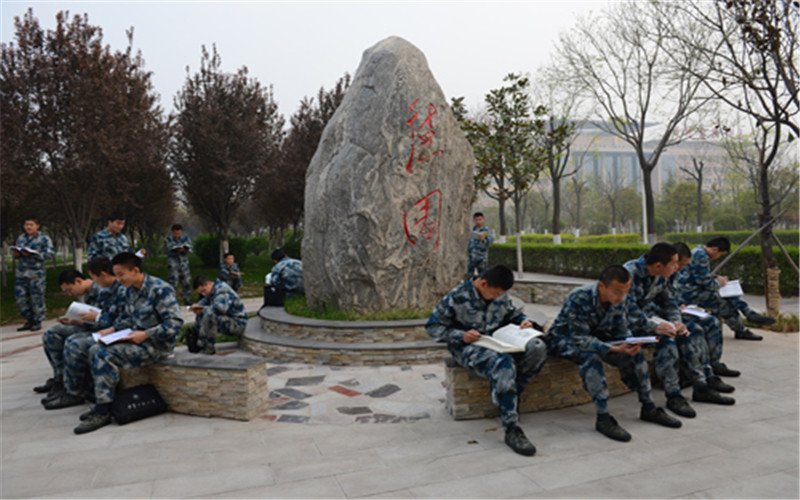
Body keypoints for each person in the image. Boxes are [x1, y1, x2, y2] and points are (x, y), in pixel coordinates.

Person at [45, 252, 183, 435]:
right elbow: (126, 318)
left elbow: (175, 323)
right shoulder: (129, 290)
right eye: (115, 275)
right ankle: (100, 400)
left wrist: (146, 334)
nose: (117, 279)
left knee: (104, 354)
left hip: (156, 345)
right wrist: (111, 332)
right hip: (133, 338)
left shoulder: (160, 289)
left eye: (120, 274)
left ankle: (103, 411)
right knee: (95, 347)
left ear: (135, 270)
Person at [546, 265, 682, 442]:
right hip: (565, 339)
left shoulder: (620, 299)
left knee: (636, 355)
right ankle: (603, 418)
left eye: (625, 291)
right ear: (602, 286)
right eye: (617, 291)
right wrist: (612, 348)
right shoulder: (579, 297)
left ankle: (648, 407)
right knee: (591, 358)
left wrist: (628, 342)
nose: (621, 296)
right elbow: (579, 337)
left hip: (600, 337)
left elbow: (620, 327)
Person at [426, 265, 547, 456]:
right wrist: (461, 336)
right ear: (483, 284)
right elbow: (433, 327)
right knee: (503, 362)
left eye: (502, 294)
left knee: (539, 348)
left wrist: (524, 321)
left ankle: (509, 396)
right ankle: (512, 429)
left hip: (498, 340)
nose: (498, 297)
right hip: (468, 347)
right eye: (495, 293)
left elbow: (512, 313)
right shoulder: (457, 297)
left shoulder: (500, 295)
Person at [623, 242, 732, 421]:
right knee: (666, 340)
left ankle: (701, 386)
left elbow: (670, 302)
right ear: (659, 265)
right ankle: (673, 396)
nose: (677, 268)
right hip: (629, 323)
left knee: (684, 333)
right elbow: (626, 309)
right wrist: (654, 326)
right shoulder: (630, 273)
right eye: (675, 264)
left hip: (650, 318)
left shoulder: (662, 274)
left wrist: (677, 322)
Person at [677, 236, 774, 341]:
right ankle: (743, 326)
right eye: (720, 254)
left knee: (728, 295)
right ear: (715, 249)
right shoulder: (701, 256)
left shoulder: (697, 251)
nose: (718, 257)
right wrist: (719, 283)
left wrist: (717, 282)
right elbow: (704, 282)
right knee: (726, 306)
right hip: (688, 293)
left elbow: (699, 278)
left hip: (692, 289)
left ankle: (748, 314)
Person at [671, 243, 736, 393]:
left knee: (712, 321)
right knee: (695, 330)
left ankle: (714, 364)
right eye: (678, 264)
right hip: (663, 319)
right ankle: (706, 377)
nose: (680, 269)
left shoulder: (672, 273)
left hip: (678, 312)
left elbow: (671, 298)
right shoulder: (658, 274)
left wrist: (680, 306)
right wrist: (676, 313)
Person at [36, 269, 103, 401]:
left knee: (74, 342)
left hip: (102, 329)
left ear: (78, 281)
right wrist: (74, 321)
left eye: (69, 290)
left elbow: (105, 321)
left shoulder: (102, 290)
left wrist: (78, 323)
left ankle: (74, 390)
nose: (69, 294)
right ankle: (59, 379)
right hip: (91, 326)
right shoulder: (89, 292)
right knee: (52, 333)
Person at [186, 275, 248, 355]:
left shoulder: (222, 290)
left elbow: (220, 309)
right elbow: (206, 300)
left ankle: (208, 347)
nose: (204, 294)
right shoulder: (213, 290)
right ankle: (200, 343)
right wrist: (198, 306)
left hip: (238, 324)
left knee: (210, 314)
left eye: (204, 291)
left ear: (209, 283)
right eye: (201, 293)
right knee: (202, 313)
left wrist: (202, 309)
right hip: (228, 320)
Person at [12, 218, 55, 332]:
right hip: (21, 273)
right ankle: (28, 320)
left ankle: (37, 321)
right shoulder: (21, 238)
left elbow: (50, 253)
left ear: (37, 226)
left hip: (36, 273)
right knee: (21, 299)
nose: (28, 227)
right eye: (26, 224)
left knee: (37, 297)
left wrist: (34, 254)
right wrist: (17, 254)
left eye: (31, 225)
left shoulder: (44, 238)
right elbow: (17, 253)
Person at [165, 223, 193, 304]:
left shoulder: (186, 238)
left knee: (186, 281)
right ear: (173, 232)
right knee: (173, 281)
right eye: (175, 233)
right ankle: (172, 300)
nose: (177, 235)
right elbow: (170, 248)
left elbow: (190, 248)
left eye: (179, 233)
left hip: (184, 264)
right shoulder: (169, 239)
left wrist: (184, 249)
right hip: (173, 264)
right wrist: (177, 249)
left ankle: (187, 299)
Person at [465, 212, 494, 281]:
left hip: (482, 258)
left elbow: (490, 241)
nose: (478, 221)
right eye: (476, 220)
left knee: (483, 276)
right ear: (474, 220)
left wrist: (484, 240)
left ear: (483, 220)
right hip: (471, 257)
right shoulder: (471, 230)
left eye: (480, 220)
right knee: (469, 276)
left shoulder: (487, 230)